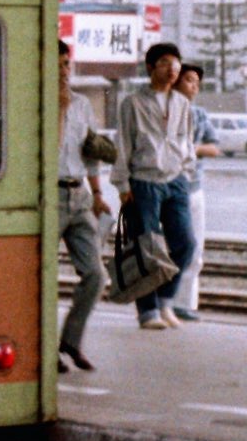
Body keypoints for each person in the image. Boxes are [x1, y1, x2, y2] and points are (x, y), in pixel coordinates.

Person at [113, 41, 198, 329]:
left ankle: (166, 302)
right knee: (145, 246)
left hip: (175, 180)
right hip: (144, 180)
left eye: (175, 63)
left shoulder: (182, 103)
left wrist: (186, 171)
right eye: (164, 62)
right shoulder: (133, 103)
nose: (172, 68)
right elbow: (123, 143)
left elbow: (187, 140)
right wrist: (123, 184)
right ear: (150, 67)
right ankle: (147, 311)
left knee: (185, 242)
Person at [56, 42, 109, 369]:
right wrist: (58, 109)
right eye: (58, 64)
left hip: (80, 196)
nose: (64, 71)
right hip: (50, 194)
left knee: (95, 275)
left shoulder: (83, 104)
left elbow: (91, 152)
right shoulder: (36, 101)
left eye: (67, 64)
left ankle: (70, 341)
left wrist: (98, 192)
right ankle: (45, 349)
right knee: (42, 278)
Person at [174, 62, 223, 320]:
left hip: (194, 189)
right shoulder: (165, 110)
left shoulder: (200, 114)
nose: (194, 87)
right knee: (170, 247)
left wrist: (191, 149)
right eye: (189, 80)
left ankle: (185, 303)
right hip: (168, 188)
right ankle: (162, 303)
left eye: (197, 82)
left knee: (195, 249)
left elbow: (214, 147)